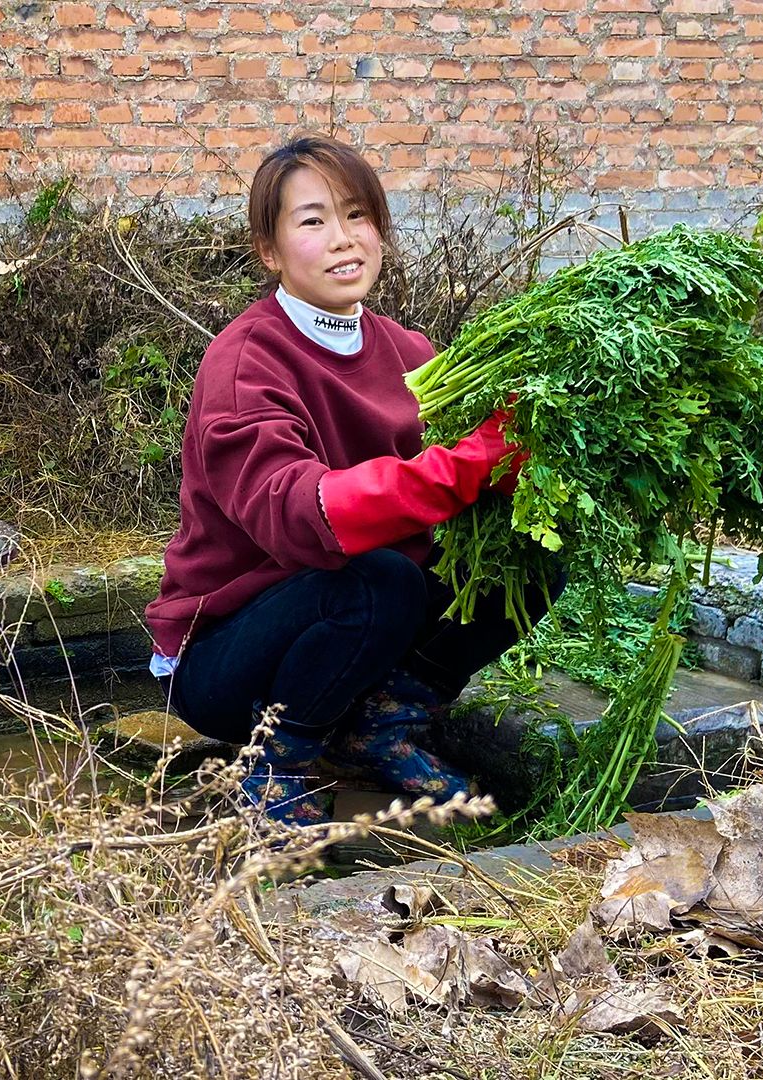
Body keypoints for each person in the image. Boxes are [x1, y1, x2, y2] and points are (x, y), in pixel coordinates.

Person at [143, 135, 542, 826]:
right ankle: (277, 761)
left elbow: (466, 488)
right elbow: (302, 518)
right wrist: (469, 464)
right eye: (312, 221)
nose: (343, 240)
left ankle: (382, 723)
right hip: (232, 653)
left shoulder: (410, 352)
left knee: (529, 545)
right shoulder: (245, 363)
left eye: (357, 215)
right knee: (376, 578)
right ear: (269, 250)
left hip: (355, 623)